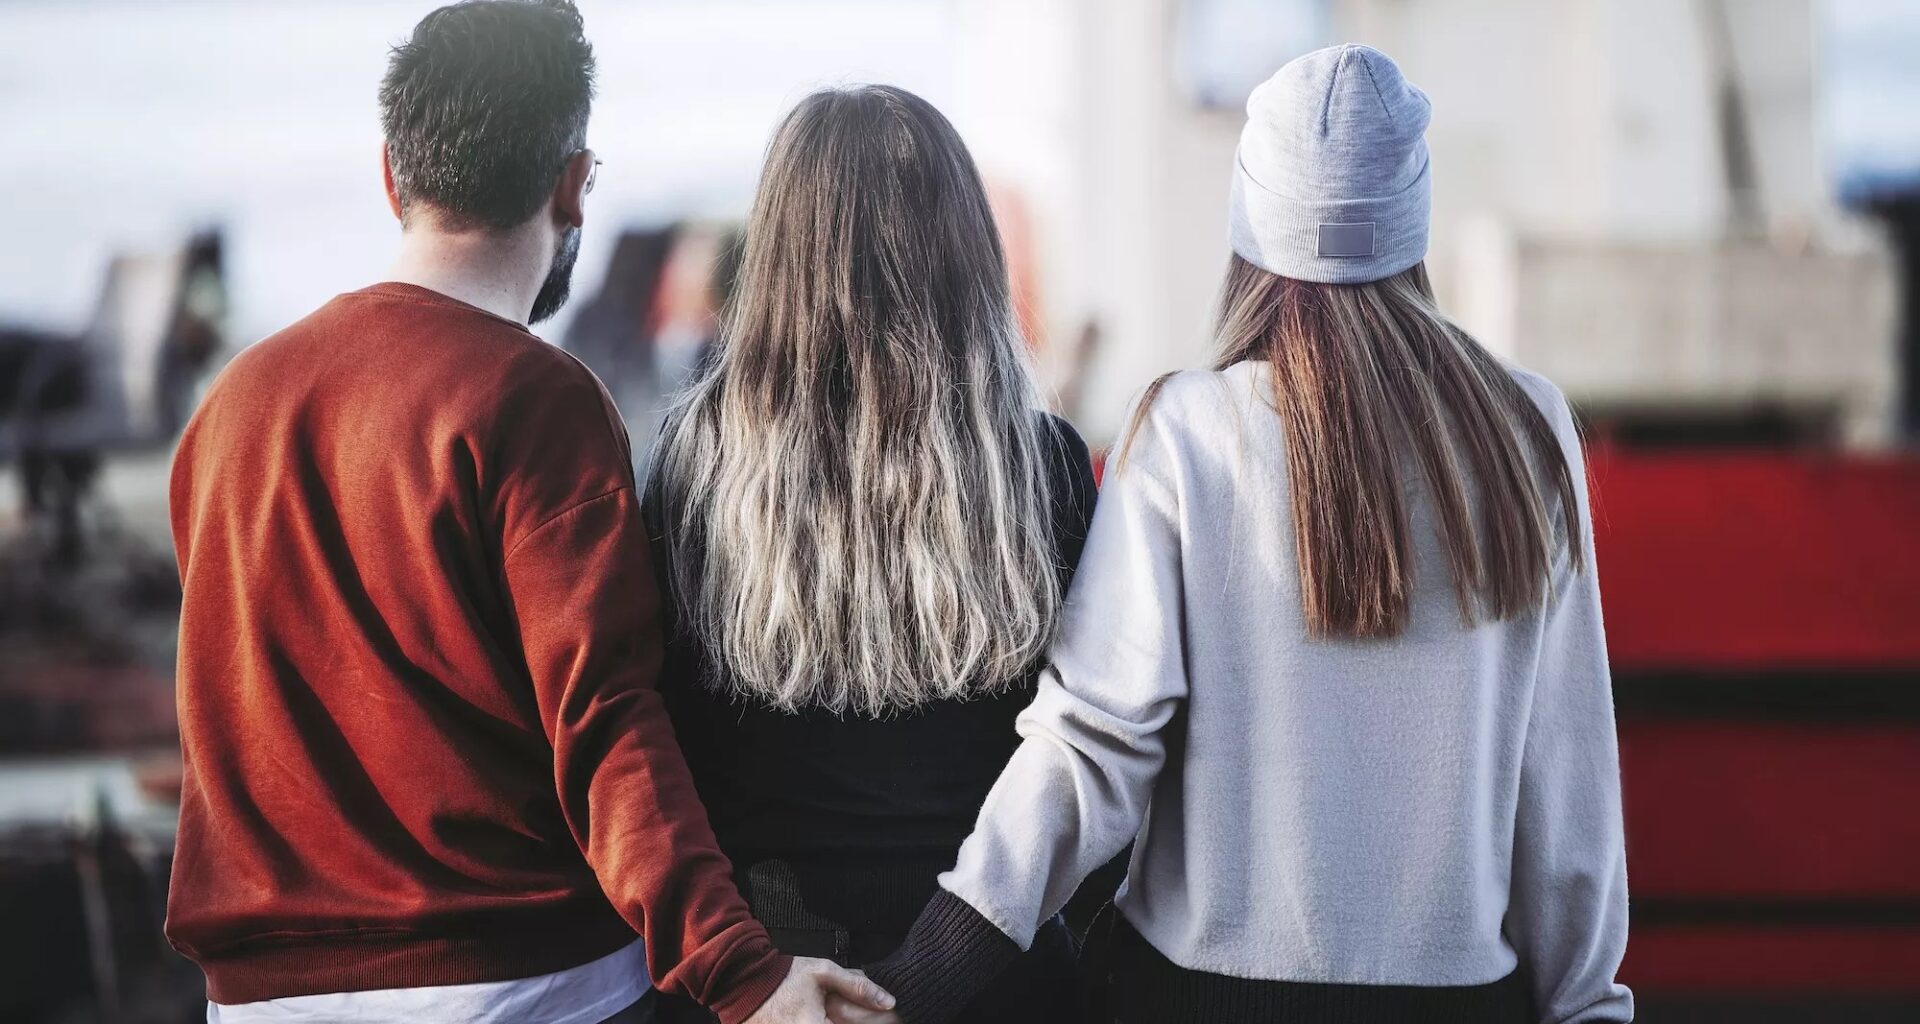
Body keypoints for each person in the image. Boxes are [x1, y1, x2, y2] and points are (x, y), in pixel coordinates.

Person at [866, 45, 1634, 1024]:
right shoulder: (1529, 431)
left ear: (1249, 228)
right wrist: (1590, 1004)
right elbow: (1568, 788)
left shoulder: (1188, 432)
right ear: (1414, 220)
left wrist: (914, 979)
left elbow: (1088, 750)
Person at [164, 3, 894, 1023]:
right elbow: (604, 723)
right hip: (519, 986)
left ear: (391, 175)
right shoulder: (536, 400)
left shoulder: (232, 409)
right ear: (572, 184)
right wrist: (746, 972)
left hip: (260, 999)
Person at [642, 86, 1097, 1024]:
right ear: (968, 255)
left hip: (767, 979)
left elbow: (668, 747)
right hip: (993, 965)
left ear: (776, 259)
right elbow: (1092, 754)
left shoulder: (695, 470)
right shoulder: (1040, 464)